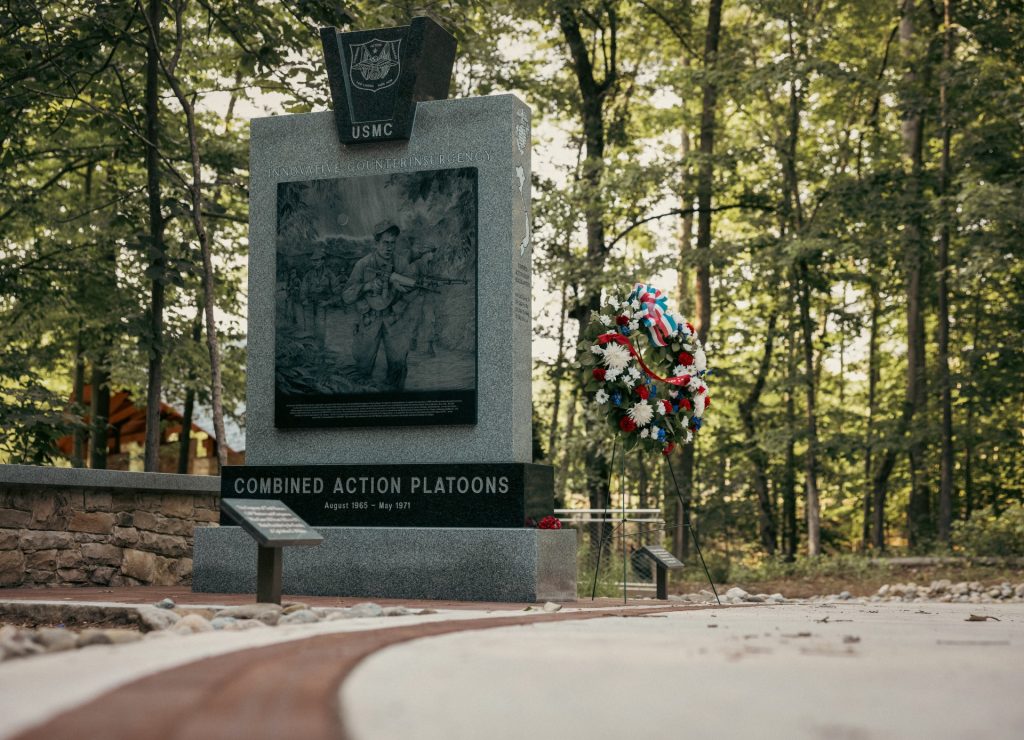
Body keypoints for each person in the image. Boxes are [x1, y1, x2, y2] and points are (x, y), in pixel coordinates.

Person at [342, 220, 431, 390]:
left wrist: (397, 308)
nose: (389, 247)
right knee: (363, 366)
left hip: (393, 320)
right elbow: (346, 296)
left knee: (398, 365)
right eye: (385, 243)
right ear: (376, 243)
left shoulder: (401, 263)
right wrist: (367, 286)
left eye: (392, 243)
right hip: (369, 319)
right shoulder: (362, 264)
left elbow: (412, 291)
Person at [299, 247, 338, 345]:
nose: (314, 263)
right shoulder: (309, 274)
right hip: (309, 304)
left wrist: (328, 302)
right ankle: (309, 348)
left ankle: (320, 349)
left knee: (320, 327)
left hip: (322, 304)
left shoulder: (330, 275)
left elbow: (337, 292)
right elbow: (303, 288)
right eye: (313, 261)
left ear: (323, 260)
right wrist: (304, 299)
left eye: (316, 260)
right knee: (309, 327)